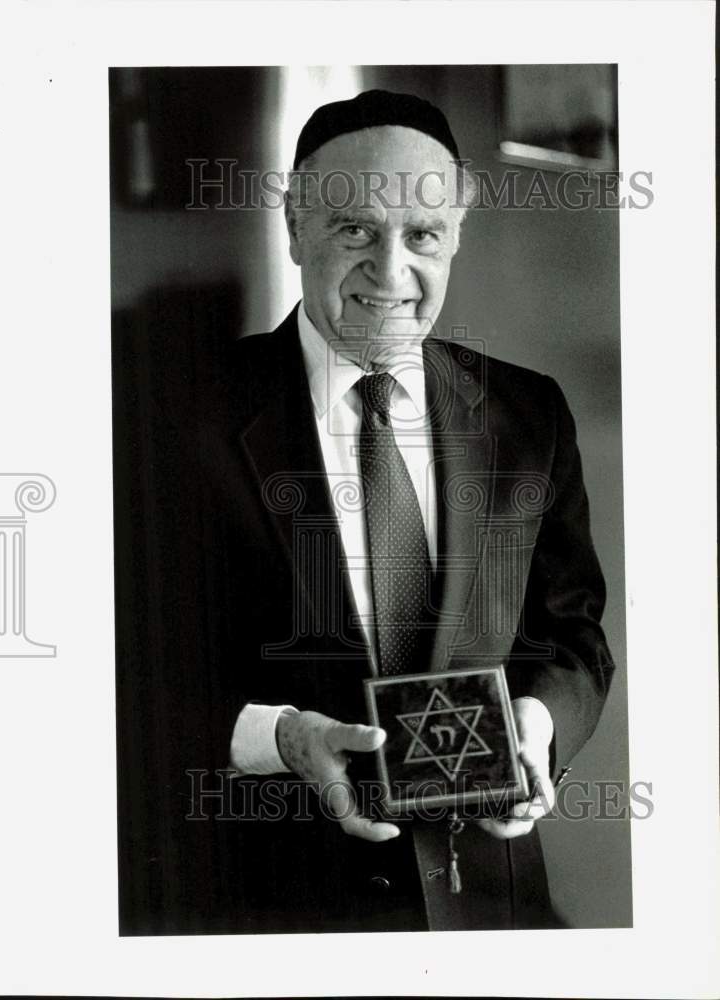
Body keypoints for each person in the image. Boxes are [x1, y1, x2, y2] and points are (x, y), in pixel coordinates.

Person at [114, 89, 615, 935]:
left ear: (455, 232)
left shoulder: (530, 414)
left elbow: (573, 638)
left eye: (422, 235)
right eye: (354, 230)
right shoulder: (164, 417)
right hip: (259, 914)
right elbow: (120, 676)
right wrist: (280, 738)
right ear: (295, 226)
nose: (390, 273)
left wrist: (535, 729)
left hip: (493, 910)